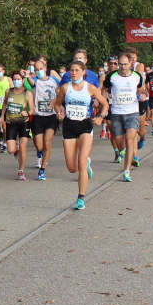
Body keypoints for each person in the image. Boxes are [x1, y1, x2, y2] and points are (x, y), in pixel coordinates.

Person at [52, 60, 109, 210]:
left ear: (83, 72)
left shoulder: (90, 88)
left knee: (81, 162)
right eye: (71, 70)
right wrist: (59, 112)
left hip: (85, 125)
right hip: (69, 126)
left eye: (77, 70)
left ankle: (81, 197)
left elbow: (105, 104)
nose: (74, 73)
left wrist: (100, 117)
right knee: (72, 168)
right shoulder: (65, 88)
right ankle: (85, 163)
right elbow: (57, 103)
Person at [103, 53, 146, 181]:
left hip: (132, 112)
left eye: (125, 64)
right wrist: (103, 100)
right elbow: (104, 88)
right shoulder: (112, 76)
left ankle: (126, 171)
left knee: (130, 139)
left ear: (131, 64)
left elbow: (141, 89)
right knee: (121, 143)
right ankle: (125, 153)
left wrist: (142, 95)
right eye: (120, 64)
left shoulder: (136, 76)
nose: (122, 67)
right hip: (116, 113)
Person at [30, 57, 60, 180]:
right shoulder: (33, 80)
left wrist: (58, 103)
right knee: (40, 145)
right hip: (38, 117)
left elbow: (62, 90)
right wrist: (27, 76)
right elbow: (28, 82)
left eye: (41, 69)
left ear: (45, 68)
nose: (39, 71)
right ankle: (40, 152)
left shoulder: (54, 80)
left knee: (47, 143)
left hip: (51, 116)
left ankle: (42, 170)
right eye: (36, 69)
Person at [2, 71, 33, 180]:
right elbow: (5, 103)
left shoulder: (27, 93)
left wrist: (28, 113)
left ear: (22, 80)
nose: (16, 81)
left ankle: (21, 171)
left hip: (24, 122)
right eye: (14, 79)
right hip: (11, 122)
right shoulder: (8, 91)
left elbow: (32, 110)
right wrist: (2, 116)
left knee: (23, 147)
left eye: (18, 79)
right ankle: (16, 150)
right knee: (11, 150)